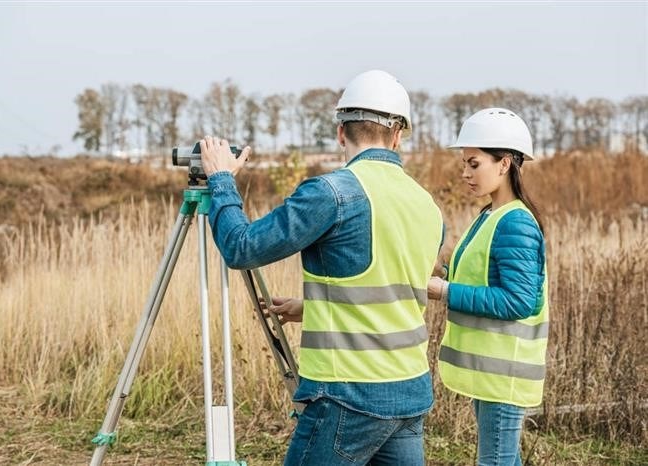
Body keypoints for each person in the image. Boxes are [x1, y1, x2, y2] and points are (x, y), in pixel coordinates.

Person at [200, 70, 443, 466]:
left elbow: (241, 248)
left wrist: (221, 180)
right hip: (409, 393)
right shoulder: (426, 205)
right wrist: (313, 307)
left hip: (349, 395)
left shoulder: (332, 193)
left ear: (340, 133)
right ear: (398, 135)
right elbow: (393, 288)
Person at [427, 108, 548, 466]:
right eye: (464, 163)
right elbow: (479, 277)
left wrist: (444, 292)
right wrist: (442, 272)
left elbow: (518, 301)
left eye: (474, 163)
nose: (465, 173)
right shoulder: (489, 215)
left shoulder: (515, 223)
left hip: (503, 373)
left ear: (505, 163)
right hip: (490, 372)